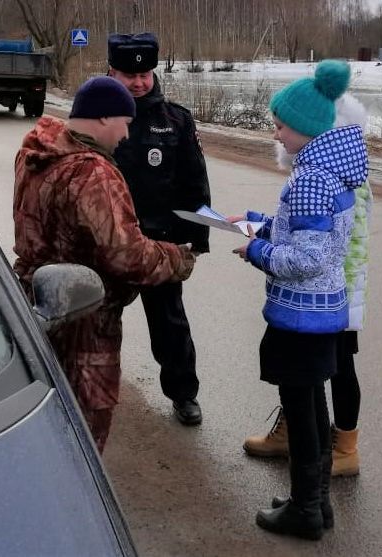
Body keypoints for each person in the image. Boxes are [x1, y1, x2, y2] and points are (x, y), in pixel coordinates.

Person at [12, 76, 196, 452]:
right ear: (102, 118)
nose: (126, 136)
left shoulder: (35, 153)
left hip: (33, 305)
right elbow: (127, 256)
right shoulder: (94, 173)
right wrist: (178, 258)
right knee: (84, 433)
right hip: (86, 320)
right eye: (124, 124)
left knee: (46, 416)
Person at [231, 60, 368, 540]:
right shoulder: (329, 171)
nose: (276, 132)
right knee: (312, 405)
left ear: (307, 129)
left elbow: (307, 256)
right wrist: (257, 223)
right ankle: (316, 503)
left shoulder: (311, 178)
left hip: (301, 313)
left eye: (281, 125)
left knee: (303, 409)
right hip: (324, 309)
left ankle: (305, 511)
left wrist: (256, 250)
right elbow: (315, 237)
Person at [107, 32, 211, 426]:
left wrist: (196, 239)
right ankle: (94, 392)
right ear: (112, 72)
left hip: (159, 242)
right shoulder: (99, 117)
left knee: (170, 325)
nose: (138, 82)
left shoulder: (176, 120)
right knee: (97, 324)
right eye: (128, 74)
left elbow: (193, 183)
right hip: (110, 243)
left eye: (145, 74)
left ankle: (183, 394)